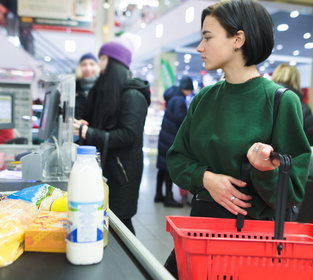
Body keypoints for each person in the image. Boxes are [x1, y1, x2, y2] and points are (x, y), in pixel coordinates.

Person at [164, 0, 311, 278]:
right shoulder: (205, 98)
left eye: (207, 37)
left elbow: (292, 191)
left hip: (250, 245)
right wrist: (206, 178)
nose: (199, 46)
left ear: (238, 39)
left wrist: (265, 168)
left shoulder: (281, 101)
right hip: (200, 234)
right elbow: (176, 158)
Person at [74, 41, 151, 234]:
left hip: (123, 173)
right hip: (110, 168)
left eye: (102, 59)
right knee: (110, 220)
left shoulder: (133, 95)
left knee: (121, 222)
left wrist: (88, 133)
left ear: (114, 63)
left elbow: (128, 135)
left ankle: (129, 264)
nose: (98, 65)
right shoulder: (109, 93)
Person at [155, 76, 194, 207]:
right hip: (171, 138)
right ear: (187, 89)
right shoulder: (179, 100)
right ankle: (168, 198)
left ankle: (159, 195)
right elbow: (181, 120)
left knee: (162, 168)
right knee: (168, 168)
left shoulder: (173, 97)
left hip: (165, 135)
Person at [272, 63, 313, 145]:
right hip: (293, 156)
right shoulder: (303, 108)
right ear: (296, 80)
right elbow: (309, 141)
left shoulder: (264, 101)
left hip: (263, 156)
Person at [75, 53, 100, 119]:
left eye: (92, 64)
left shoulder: (104, 86)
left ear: (97, 67)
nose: (88, 68)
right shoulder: (74, 87)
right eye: (84, 64)